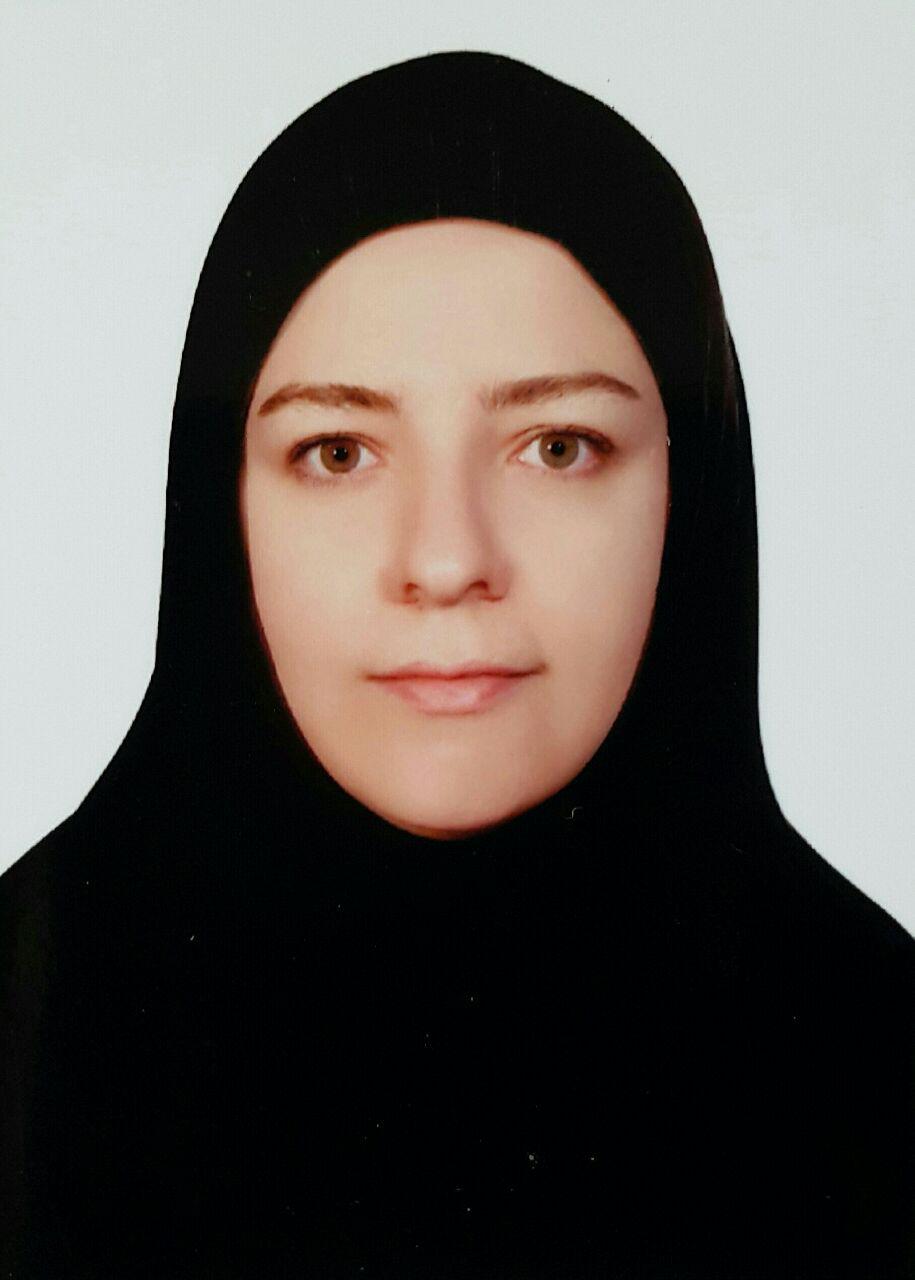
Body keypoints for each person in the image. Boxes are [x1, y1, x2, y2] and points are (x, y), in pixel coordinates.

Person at [1, 51, 912, 1280]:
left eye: (558, 445)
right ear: (221, 510)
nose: (445, 559)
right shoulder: (25, 1027)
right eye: (337, 451)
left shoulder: (881, 1060)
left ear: (691, 494)